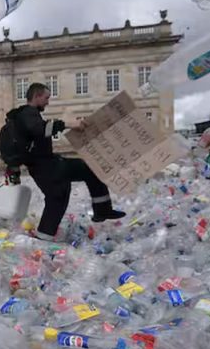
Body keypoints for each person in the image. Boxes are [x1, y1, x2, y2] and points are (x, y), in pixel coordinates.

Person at [10, 82, 125, 241]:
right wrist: (69, 124)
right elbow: (41, 129)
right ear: (36, 97)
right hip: (45, 167)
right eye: (46, 98)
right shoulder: (28, 113)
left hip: (48, 165)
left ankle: (102, 210)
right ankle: (44, 238)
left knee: (84, 172)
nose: (48, 102)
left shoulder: (28, 115)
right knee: (57, 199)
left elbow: (40, 130)